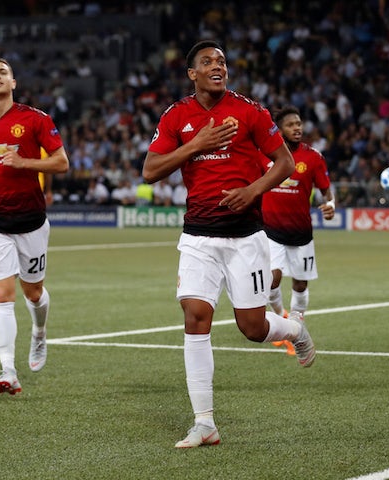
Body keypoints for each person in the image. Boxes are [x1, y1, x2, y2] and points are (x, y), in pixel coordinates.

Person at [142, 40, 316, 449]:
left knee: (252, 329)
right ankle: (205, 423)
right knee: (195, 315)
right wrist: (195, 145)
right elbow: (150, 170)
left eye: (221, 61)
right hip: (198, 236)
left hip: (245, 237)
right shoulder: (177, 116)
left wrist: (252, 190)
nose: (217, 66)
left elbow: (285, 163)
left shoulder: (250, 110)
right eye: (207, 62)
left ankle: (297, 331)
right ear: (192, 74)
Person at [0, 57, 69, 394]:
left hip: (31, 221)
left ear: (13, 83)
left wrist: (24, 162)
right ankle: (8, 370)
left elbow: (62, 163)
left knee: (33, 292)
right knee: (1, 294)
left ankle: (39, 332)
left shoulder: (35, 119)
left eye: (2, 72)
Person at [261, 106, 335, 355]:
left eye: (299, 123)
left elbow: (326, 189)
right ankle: (281, 321)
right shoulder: (264, 155)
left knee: (301, 284)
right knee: (273, 278)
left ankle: (297, 325)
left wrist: (331, 204)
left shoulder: (313, 157)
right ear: (279, 130)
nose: (297, 128)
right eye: (291, 124)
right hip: (271, 230)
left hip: (301, 232)